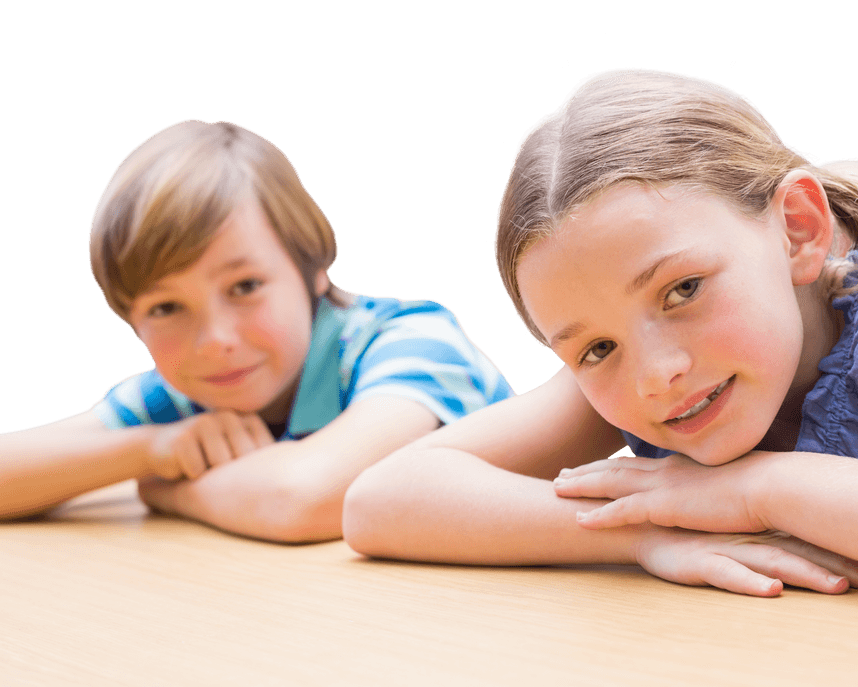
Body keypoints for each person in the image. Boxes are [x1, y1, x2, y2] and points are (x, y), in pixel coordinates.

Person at [344, 69, 858, 614]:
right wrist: (639, 535)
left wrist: (752, 489)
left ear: (797, 230)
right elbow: (383, 499)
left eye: (684, 289)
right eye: (593, 348)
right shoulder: (640, 378)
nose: (657, 375)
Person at [0, 119, 513, 542]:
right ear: (130, 320)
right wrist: (148, 450)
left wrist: (165, 488)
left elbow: (307, 499)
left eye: (244, 286)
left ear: (313, 267)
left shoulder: (411, 341)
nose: (213, 339)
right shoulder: (179, 401)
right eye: (165, 308)